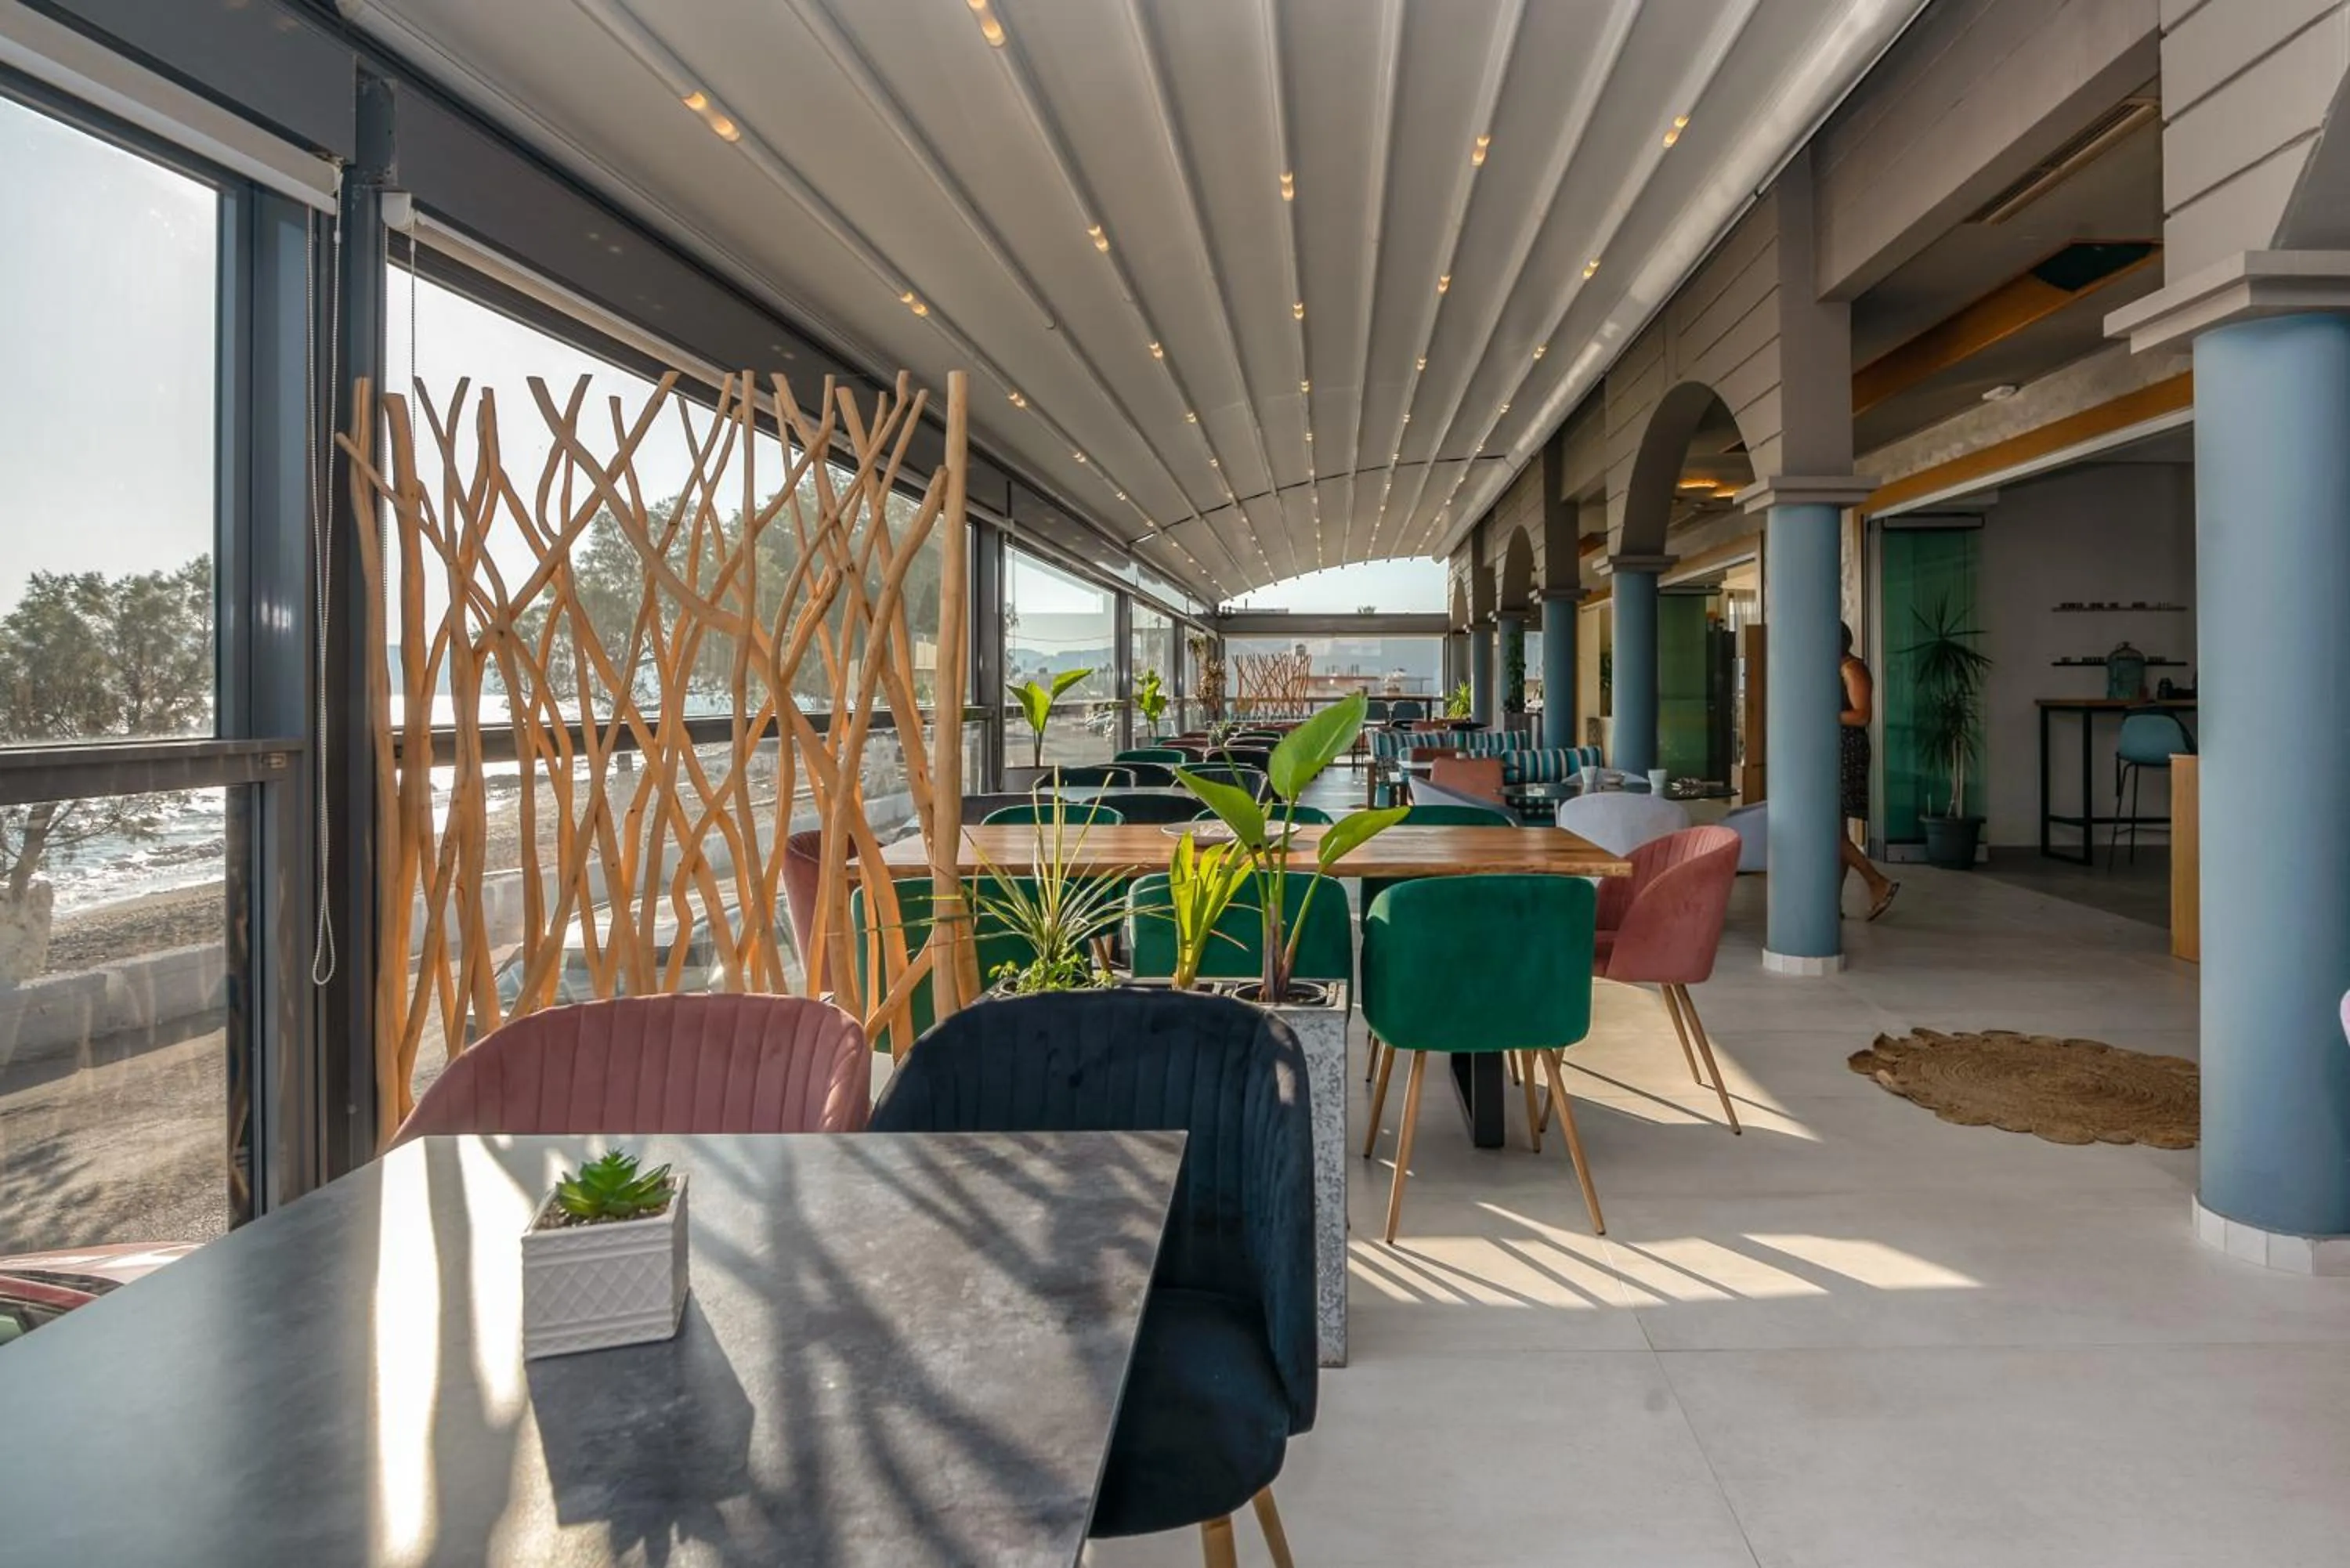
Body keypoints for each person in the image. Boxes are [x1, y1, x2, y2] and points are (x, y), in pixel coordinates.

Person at [1839, 623, 1899, 919]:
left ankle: (1877, 881)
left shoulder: (1852, 668)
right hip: (1834, 750)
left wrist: (1821, 713)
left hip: (1846, 753)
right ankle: (1831, 903)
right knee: (1836, 830)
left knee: (1828, 830)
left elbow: (1862, 715)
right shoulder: (1836, 668)